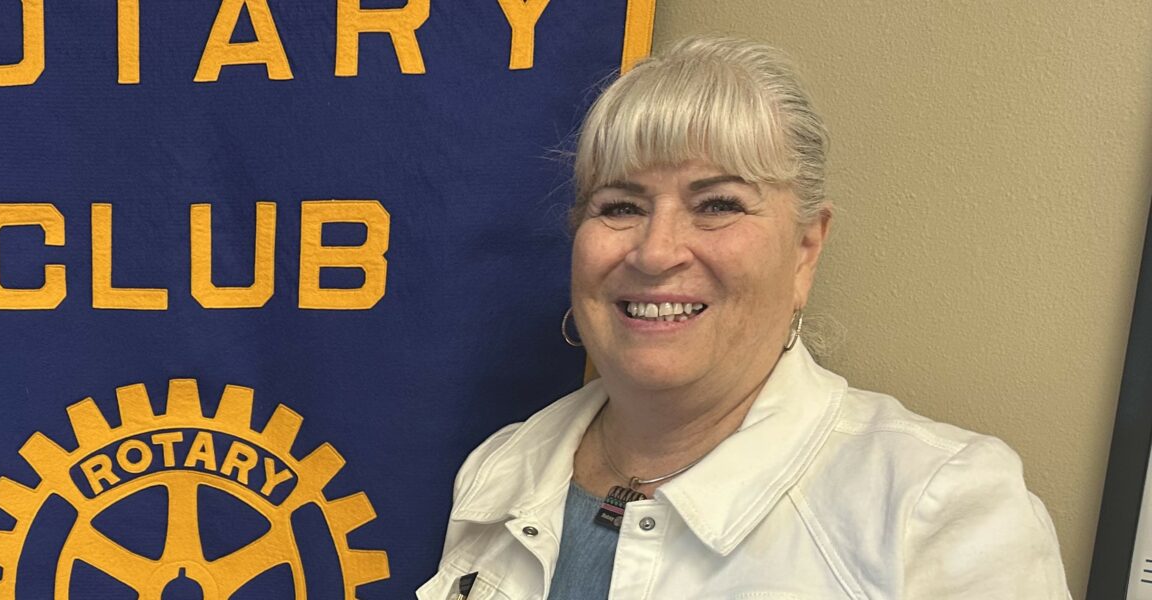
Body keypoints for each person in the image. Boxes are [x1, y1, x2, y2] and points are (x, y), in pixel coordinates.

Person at [419, 36, 1070, 599]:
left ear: (805, 249)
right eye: (620, 206)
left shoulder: (939, 509)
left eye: (718, 204)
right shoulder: (504, 468)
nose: (656, 252)